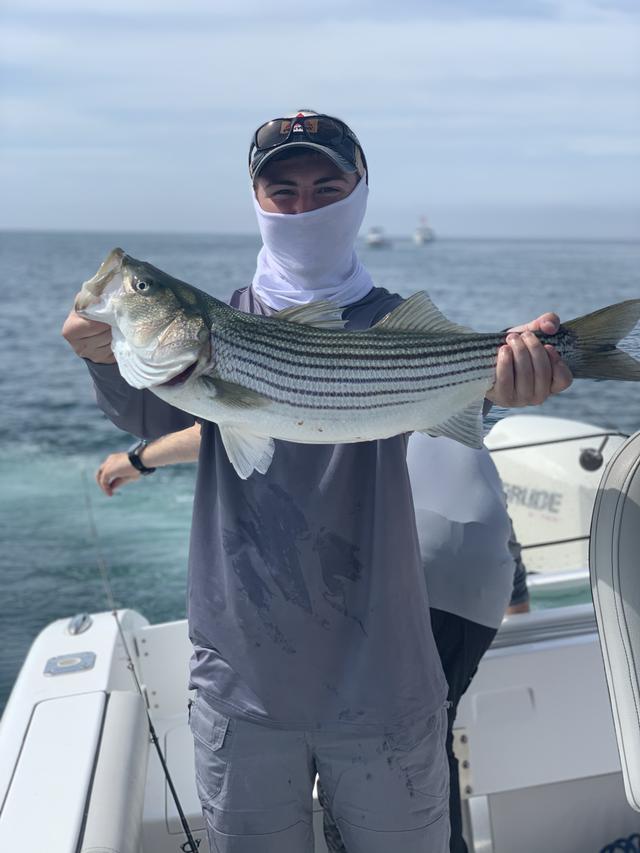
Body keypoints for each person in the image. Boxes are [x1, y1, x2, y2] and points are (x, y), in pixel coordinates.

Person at [62, 109, 571, 853]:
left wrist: (511, 379)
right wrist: (100, 350)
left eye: (326, 188)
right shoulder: (221, 324)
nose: (304, 207)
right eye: (284, 191)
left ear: (361, 194)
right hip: (241, 677)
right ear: (256, 200)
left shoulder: (399, 326)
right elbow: (143, 406)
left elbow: (464, 389)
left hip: (386, 675)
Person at [95, 427, 529, 853]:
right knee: (427, 736)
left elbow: (229, 430)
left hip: (401, 566)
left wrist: (139, 459)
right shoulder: (430, 408)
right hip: (487, 569)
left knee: (401, 739)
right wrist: (519, 597)